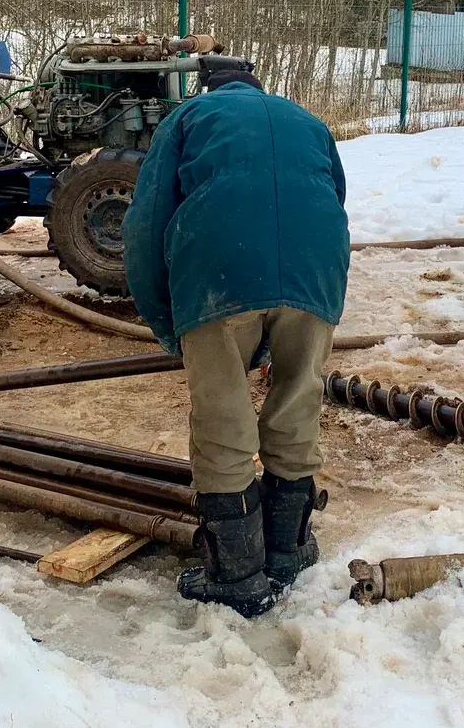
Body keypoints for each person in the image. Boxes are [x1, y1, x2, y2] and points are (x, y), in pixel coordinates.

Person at [124, 67, 349, 618]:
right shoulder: (308, 121)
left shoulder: (188, 117)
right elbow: (332, 196)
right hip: (317, 268)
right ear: (259, 85)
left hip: (219, 270)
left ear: (212, 90)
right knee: (298, 399)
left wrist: (168, 322)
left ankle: (237, 574)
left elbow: (145, 225)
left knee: (224, 415)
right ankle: (289, 551)